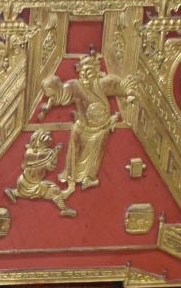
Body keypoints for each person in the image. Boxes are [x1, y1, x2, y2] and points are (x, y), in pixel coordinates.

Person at [41, 51, 138, 190]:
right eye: (84, 71)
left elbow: (122, 86)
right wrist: (51, 96)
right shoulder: (75, 86)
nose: (86, 74)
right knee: (75, 135)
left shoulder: (104, 83)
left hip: (100, 127)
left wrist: (129, 94)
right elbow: (61, 95)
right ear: (79, 71)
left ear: (97, 70)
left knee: (98, 142)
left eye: (90, 70)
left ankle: (90, 178)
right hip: (82, 126)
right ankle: (71, 176)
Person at [5, 129, 77, 217]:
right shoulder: (31, 152)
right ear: (37, 139)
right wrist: (54, 153)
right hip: (26, 182)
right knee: (54, 191)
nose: (49, 138)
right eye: (45, 136)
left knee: (53, 190)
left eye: (49, 137)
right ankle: (65, 209)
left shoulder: (47, 153)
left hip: (31, 183)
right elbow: (41, 162)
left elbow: (50, 167)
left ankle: (14, 192)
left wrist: (55, 154)